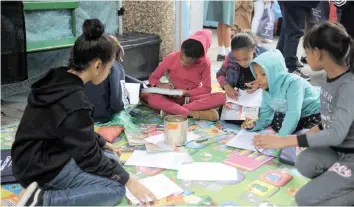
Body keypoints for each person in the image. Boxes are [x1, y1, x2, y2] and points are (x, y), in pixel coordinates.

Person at [12, 19, 156, 206]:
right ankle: (41, 201)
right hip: (41, 168)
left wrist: (101, 142)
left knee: (112, 161)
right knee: (115, 188)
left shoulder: (58, 77)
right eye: (110, 67)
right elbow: (88, 158)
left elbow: (71, 129)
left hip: (31, 157)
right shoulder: (75, 99)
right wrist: (130, 181)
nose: (109, 72)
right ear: (97, 65)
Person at [252, 22, 354, 206]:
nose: (305, 57)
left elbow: (335, 134)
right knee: (304, 163)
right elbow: (330, 120)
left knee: (304, 199)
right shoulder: (329, 77)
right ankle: (338, 180)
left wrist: (286, 140)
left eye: (307, 52)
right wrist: (309, 132)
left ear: (318, 53)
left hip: (351, 154)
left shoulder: (349, 86)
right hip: (337, 150)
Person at [142, 30, 225, 121]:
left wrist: (186, 93)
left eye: (187, 62)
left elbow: (206, 89)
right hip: (170, 97)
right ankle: (191, 114)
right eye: (181, 58)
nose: (182, 63)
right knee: (152, 98)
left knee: (222, 97)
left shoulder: (205, 63)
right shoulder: (172, 57)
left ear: (197, 59)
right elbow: (153, 78)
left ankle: (173, 111)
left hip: (190, 99)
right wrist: (160, 85)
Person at [241, 49, 321, 137]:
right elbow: (265, 117)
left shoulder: (294, 83)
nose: (258, 80)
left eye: (263, 74)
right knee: (277, 123)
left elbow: (294, 113)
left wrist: (280, 139)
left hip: (313, 112)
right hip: (292, 111)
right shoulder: (266, 89)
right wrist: (255, 125)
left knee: (312, 137)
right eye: (256, 75)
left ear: (276, 73)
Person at [84, 36, 143, 123]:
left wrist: (141, 85)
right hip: (102, 118)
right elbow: (117, 104)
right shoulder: (114, 66)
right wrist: (127, 101)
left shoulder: (85, 63)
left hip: (82, 116)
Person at [216, 31, 268, 100]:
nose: (243, 63)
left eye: (246, 59)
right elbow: (220, 74)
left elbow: (275, 77)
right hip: (237, 96)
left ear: (254, 50)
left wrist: (260, 84)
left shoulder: (264, 57)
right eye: (238, 59)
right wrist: (227, 86)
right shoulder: (230, 57)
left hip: (258, 97)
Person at [276, 1, 319, 80]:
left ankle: (279, 61)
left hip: (294, 3)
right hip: (296, 3)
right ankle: (290, 67)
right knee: (294, 32)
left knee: (287, 30)